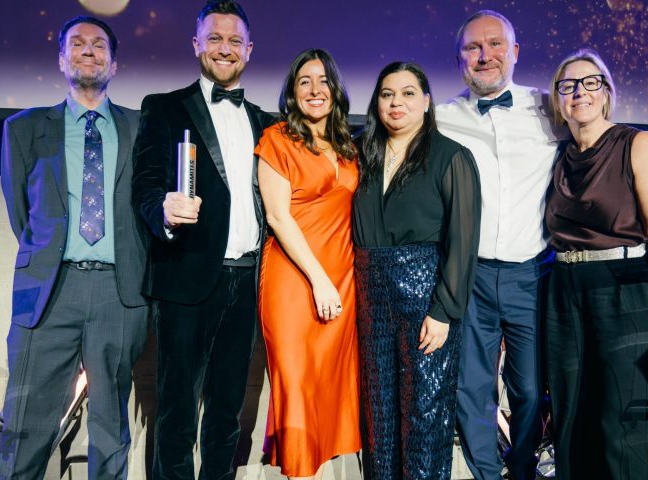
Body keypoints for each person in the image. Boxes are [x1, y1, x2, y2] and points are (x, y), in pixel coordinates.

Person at [0, 15, 149, 479]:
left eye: (99, 45)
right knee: (26, 424)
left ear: (114, 63)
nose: (88, 50)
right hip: (49, 290)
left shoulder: (141, 129)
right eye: (77, 44)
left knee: (110, 428)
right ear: (62, 59)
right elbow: (21, 213)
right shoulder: (23, 129)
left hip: (117, 294)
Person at [131, 1, 274, 478]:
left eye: (235, 41)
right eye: (214, 38)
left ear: (249, 51)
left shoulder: (266, 122)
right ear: (196, 44)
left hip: (247, 281)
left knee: (228, 411)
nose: (224, 48)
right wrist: (164, 212)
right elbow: (146, 187)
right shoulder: (164, 107)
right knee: (175, 414)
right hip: (186, 279)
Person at [435, 10, 567, 480]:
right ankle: (488, 474)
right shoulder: (439, 119)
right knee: (471, 388)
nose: (484, 55)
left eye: (495, 45)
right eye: (473, 48)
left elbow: (599, 149)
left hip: (531, 272)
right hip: (467, 274)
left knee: (530, 388)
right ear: (459, 60)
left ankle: (523, 468)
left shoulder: (550, 109)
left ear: (515, 52)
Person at [544, 48, 648, 480]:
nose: (579, 93)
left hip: (624, 287)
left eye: (590, 83)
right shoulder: (557, 157)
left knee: (623, 416)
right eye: (568, 86)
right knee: (571, 415)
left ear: (606, 94)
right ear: (558, 99)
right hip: (564, 288)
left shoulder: (638, 144)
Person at [353, 61, 481, 480]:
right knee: (380, 415)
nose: (396, 102)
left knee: (425, 416)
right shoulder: (361, 153)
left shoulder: (452, 157)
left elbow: (463, 242)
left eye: (409, 93)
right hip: (371, 297)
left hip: (427, 298)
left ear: (427, 101)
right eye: (387, 93)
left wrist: (444, 311)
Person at [255, 48, 361, 480]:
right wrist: (319, 280)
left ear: (335, 89)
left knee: (326, 391)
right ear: (292, 92)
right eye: (304, 82)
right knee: (297, 386)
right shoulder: (277, 138)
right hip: (295, 280)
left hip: (344, 278)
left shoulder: (348, 144)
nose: (315, 90)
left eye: (323, 81)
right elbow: (277, 217)